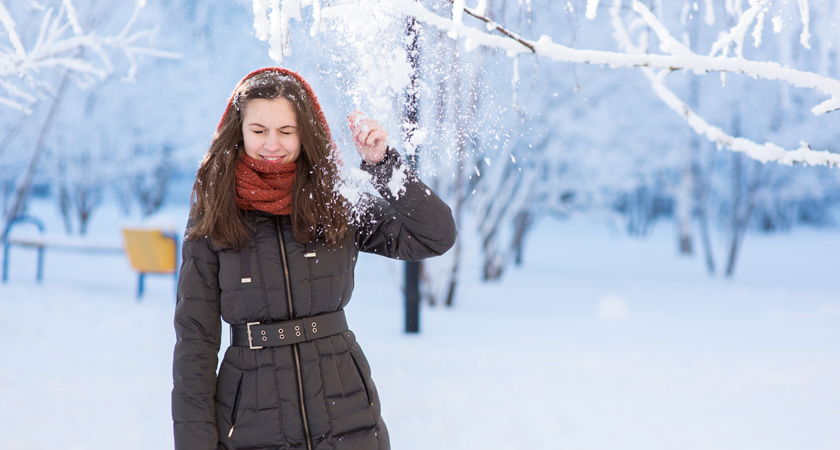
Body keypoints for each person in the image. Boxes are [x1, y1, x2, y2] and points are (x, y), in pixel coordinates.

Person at [171, 66, 457, 450]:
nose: (272, 144)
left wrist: (385, 166)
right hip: (251, 425)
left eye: (286, 131)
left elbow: (434, 237)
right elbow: (196, 342)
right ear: (238, 131)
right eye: (259, 131)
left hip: (347, 416)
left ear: (306, 131)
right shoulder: (215, 212)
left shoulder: (334, 199)